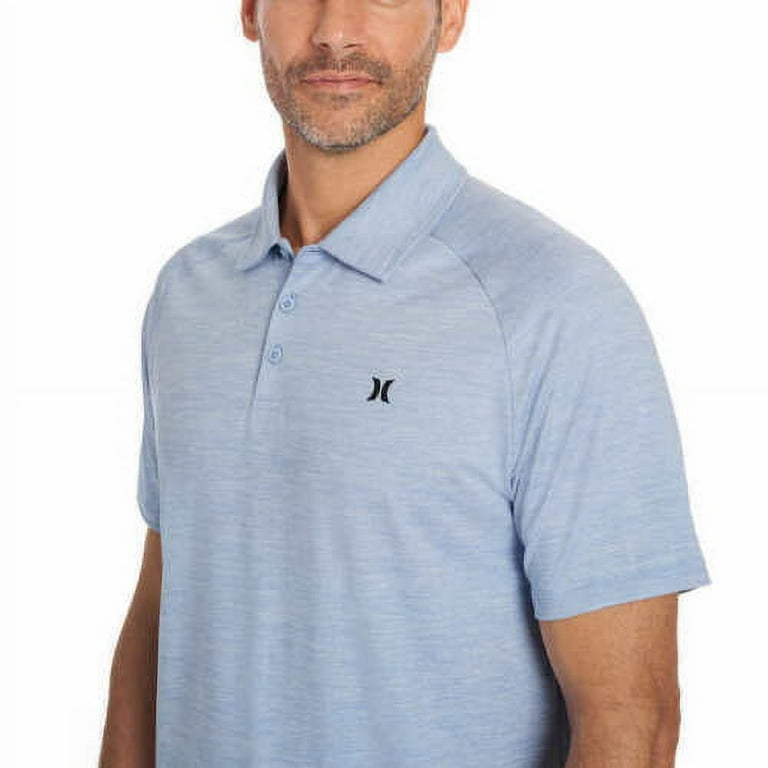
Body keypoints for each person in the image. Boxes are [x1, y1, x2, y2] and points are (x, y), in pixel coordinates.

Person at [99, 1, 712, 766]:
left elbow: (631, 718)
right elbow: (164, 605)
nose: (335, 29)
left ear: (449, 18)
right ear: (252, 11)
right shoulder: (189, 293)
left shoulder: (554, 302)